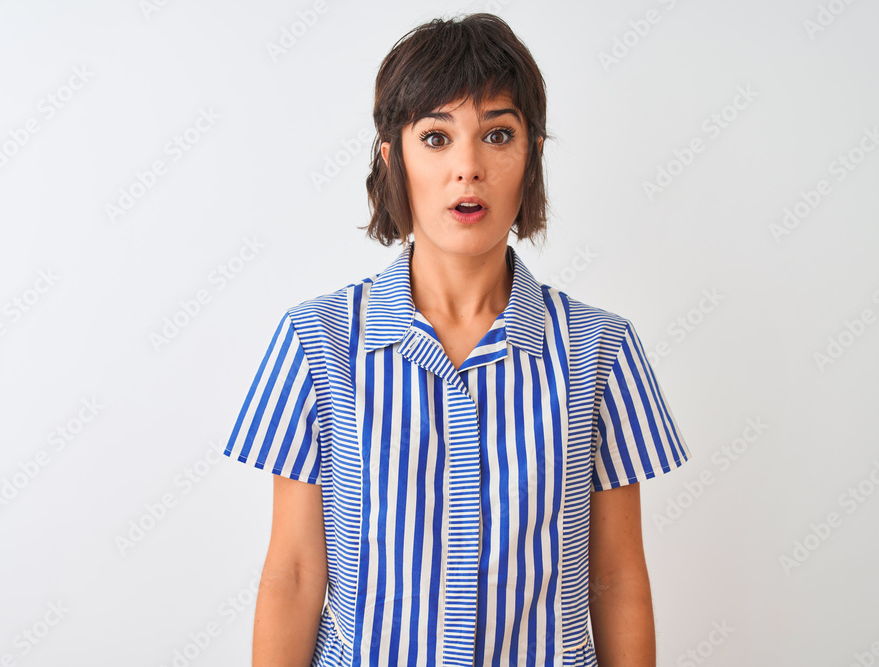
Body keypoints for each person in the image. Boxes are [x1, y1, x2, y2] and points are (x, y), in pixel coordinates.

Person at [223, 12, 691, 667]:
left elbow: (614, 581)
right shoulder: (316, 342)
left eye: (497, 134)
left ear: (530, 158)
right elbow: (295, 574)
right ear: (393, 159)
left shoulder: (601, 351)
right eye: (436, 137)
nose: (467, 167)